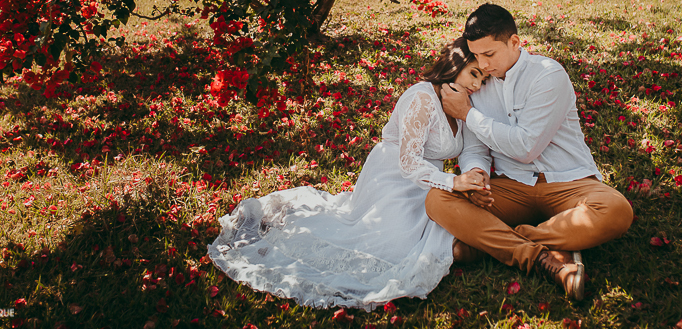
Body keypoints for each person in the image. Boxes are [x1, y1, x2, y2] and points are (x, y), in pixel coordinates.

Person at [207, 38, 490, 310]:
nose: (477, 85)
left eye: (482, 79)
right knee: (392, 250)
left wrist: (470, 174)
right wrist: (454, 182)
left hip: (429, 184)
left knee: (444, 235)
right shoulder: (423, 98)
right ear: (456, 64)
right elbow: (408, 163)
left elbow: (468, 149)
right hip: (395, 178)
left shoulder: (460, 101)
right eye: (473, 74)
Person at [426, 4, 634, 301]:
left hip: (568, 182)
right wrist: (477, 174)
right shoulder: (477, 83)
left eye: (490, 54)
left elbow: (526, 147)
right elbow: (475, 148)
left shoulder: (547, 75)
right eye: (477, 55)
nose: (482, 65)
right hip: (512, 188)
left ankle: (492, 244)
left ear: (514, 43)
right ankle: (545, 256)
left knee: (616, 210)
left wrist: (467, 114)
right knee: (437, 198)